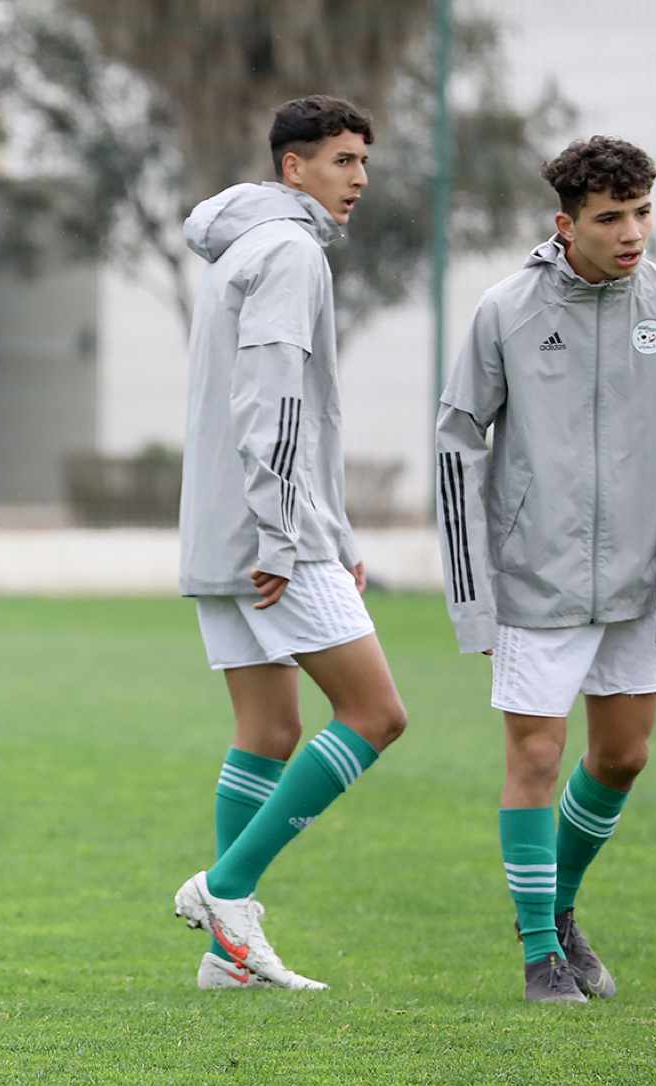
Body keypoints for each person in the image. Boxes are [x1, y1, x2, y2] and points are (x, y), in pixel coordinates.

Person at [435, 136, 656, 1003]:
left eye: (643, 213)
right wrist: (473, 601)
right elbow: (457, 448)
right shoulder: (506, 310)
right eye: (611, 218)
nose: (632, 233)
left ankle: (559, 907)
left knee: (622, 758)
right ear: (565, 223)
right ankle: (542, 954)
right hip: (533, 581)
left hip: (634, 583)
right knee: (538, 754)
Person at [171, 95, 409, 991]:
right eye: (341, 161)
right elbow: (270, 401)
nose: (358, 179)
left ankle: (228, 960)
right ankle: (226, 888)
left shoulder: (244, 246)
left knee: (268, 730)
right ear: (292, 168)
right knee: (379, 714)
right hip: (270, 538)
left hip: (227, 531)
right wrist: (286, 532)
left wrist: (330, 527)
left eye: (363, 162)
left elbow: (296, 414)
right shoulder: (290, 250)